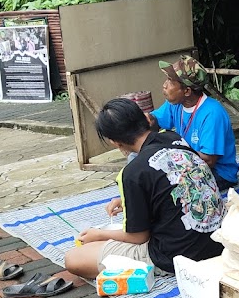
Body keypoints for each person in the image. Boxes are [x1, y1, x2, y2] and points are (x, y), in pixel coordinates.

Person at [64, 98, 224, 279]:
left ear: (114, 142)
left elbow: (138, 238)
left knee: (74, 258)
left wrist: (99, 234)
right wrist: (130, 202)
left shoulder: (132, 172)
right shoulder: (174, 138)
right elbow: (174, 185)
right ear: (147, 119)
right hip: (217, 241)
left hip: (181, 255)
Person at [150, 56, 239, 191]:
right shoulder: (175, 104)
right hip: (189, 164)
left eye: (171, 81)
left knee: (166, 189)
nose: (164, 85)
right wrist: (143, 121)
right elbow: (155, 121)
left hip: (218, 172)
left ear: (186, 91)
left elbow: (208, 160)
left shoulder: (212, 113)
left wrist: (171, 160)